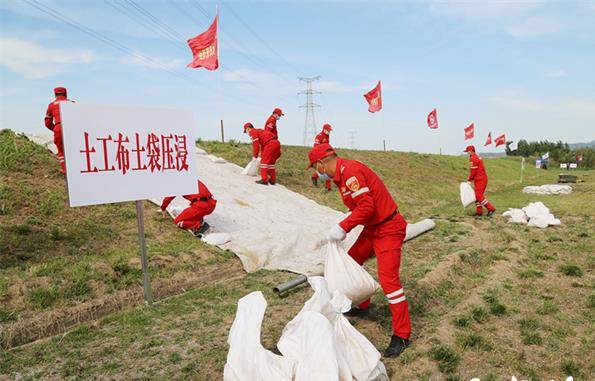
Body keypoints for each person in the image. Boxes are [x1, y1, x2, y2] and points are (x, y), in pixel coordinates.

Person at [308, 143, 411, 358]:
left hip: (388, 228)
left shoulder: (351, 173)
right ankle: (363, 303)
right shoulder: (341, 176)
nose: (317, 172)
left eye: (315, 167)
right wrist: (345, 221)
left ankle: (402, 335)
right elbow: (359, 205)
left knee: (389, 281)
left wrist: (343, 227)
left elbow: (367, 207)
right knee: (352, 261)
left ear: (322, 162)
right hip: (373, 228)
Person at [44, 87, 74, 174]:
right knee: (73, 149)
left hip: (58, 127)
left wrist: (56, 130)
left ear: (55, 94)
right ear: (66, 94)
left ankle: (65, 170)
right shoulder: (72, 103)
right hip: (71, 128)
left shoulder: (52, 105)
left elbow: (47, 122)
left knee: (61, 151)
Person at [464, 145, 496, 217]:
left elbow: (473, 171)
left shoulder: (473, 158)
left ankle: (491, 208)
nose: (467, 153)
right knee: (476, 196)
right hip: (480, 179)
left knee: (478, 196)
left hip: (480, 179)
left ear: (471, 151)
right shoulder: (476, 157)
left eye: (468, 152)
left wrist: (469, 180)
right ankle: (479, 212)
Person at [311, 123, 333, 191]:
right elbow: (316, 146)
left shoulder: (327, 136)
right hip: (320, 155)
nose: (329, 132)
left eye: (330, 130)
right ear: (324, 129)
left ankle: (327, 186)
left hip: (326, 155)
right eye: (328, 130)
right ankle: (327, 187)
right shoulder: (319, 136)